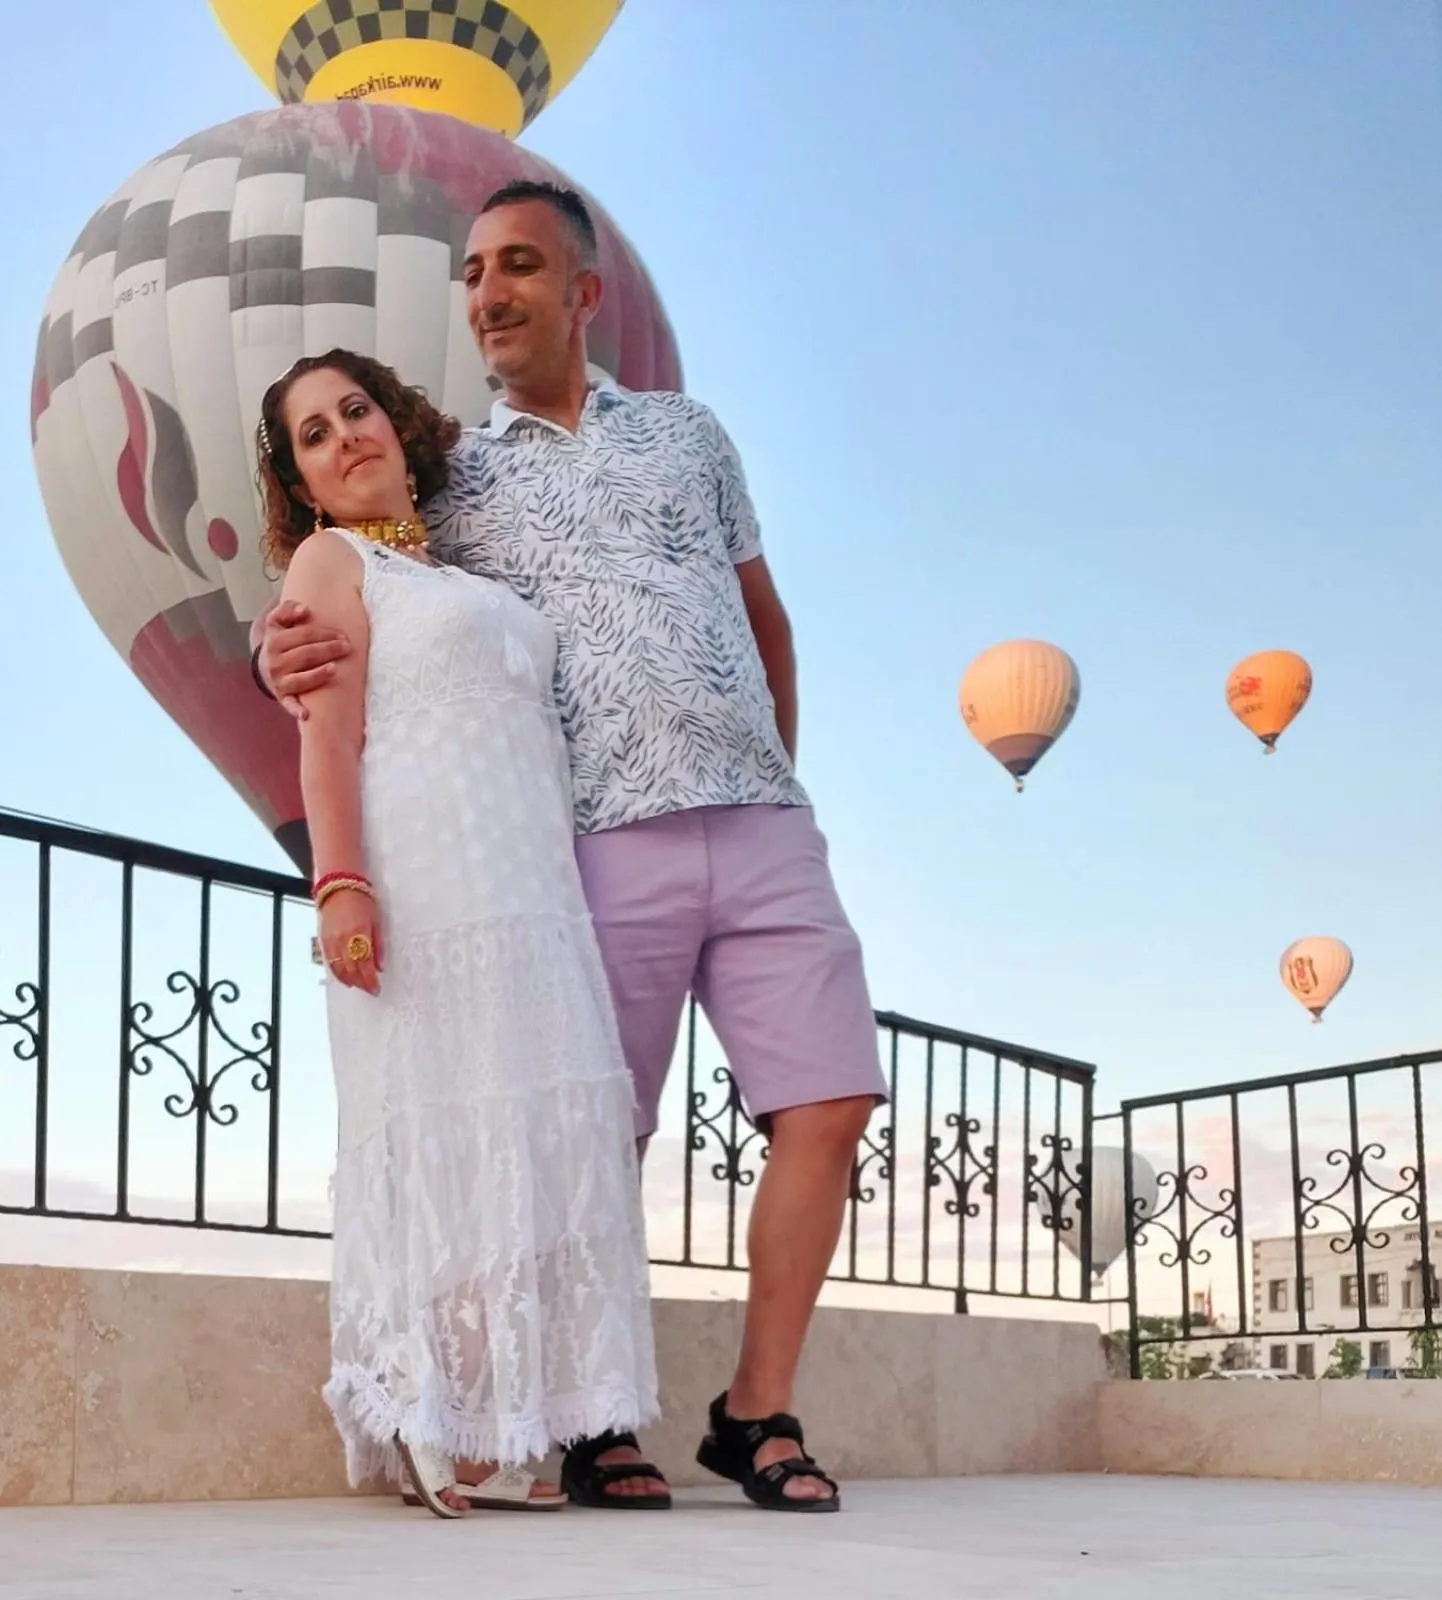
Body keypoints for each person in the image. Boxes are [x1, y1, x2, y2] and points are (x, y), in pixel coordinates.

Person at [258, 181, 888, 1513]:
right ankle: (590, 1414)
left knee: (830, 1101)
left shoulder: (688, 434)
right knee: (591, 1132)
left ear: (584, 291)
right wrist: (280, 649)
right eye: (472, 272)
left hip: (760, 818)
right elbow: (370, 588)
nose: (489, 292)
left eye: (520, 266)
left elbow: (764, 618)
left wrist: (771, 767)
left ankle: (756, 1412)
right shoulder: (455, 483)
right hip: (597, 839)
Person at [255, 348, 661, 1520]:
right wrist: (341, 885)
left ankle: (513, 1417)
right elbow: (326, 740)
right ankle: (436, 1413)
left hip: (532, 889)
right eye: (313, 434)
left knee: (532, 1126)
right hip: (427, 882)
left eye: (355, 410)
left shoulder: (457, 572)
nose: (344, 437)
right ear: (301, 483)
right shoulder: (332, 563)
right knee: (445, 1113)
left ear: (396, 423)